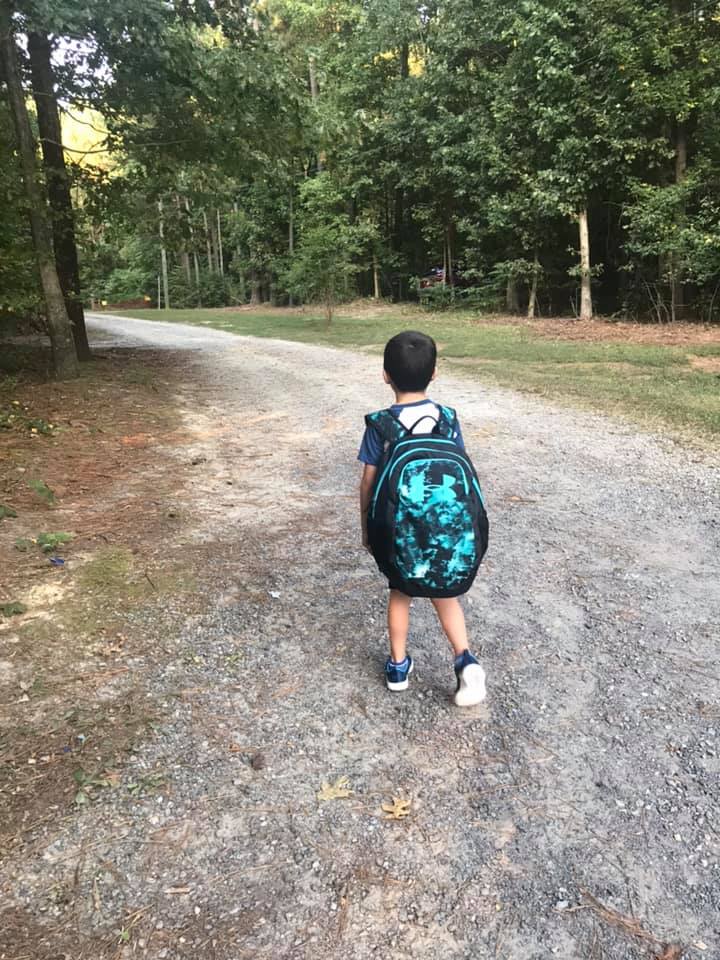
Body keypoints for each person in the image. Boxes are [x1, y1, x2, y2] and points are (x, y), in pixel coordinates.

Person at [358, 330, 487, 706]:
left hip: (402, 535)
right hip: (448, 532)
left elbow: (368, 483)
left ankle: (398, 667)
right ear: (434, 374)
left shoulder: (380, 425)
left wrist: (367, 528)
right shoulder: (447, 420)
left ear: (385, 375)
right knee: (445, 597)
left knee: (400, 594)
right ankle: (465, 660)